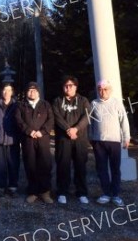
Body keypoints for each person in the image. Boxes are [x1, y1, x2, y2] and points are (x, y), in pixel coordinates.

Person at [88, 80, 131, 207]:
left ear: (110, 90)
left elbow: (124, 121)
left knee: (115, 169)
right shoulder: (94, 103)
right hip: (99, 141)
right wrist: (91, 137)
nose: (102, 92)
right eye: (100, 89)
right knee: (101, 169)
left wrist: (126, 138)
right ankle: (106, 193)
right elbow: (91, 122)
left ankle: (115, 194)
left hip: (114, 141)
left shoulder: (117, 103)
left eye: (105, 89)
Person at [53, 76, 91, 205]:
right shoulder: (58, 101)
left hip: (80, 138)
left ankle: (81, 192)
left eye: (71, 85)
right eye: (66, 85)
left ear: (76, 87)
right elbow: (57, 117)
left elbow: (87, 116)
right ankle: (62, 192)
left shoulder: (83, 100)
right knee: (63, 165)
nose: (68, 87)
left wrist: (76, 129)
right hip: (63, 139)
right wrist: (68, 129)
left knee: (80, 165)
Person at [15, 82, 54, 204]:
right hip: (28, 139)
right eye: (30, 90)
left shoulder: (45, 104)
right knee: (30, 164)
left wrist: (42, 131)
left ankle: (45, 191)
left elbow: (51, 119)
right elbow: (18, 120)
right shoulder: (21, 105)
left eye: (34, 90)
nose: (32, 92)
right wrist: (28, 131)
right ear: (26, 92)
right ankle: (32, 191)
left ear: (38, 92)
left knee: (45, 164)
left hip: (42, 139)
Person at [0, 83, 20, 197]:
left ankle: (13, 187)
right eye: (4, 90)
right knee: (0, 164)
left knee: (13, 164)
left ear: (12, 92)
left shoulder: (17, 106)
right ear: (1, 92)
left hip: (13, 141)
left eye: (8, 90)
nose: (6, 93)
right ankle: (1, 187)